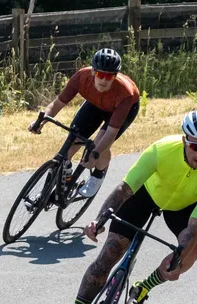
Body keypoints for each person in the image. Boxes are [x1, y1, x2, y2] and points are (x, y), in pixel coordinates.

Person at [52, 110, 197, 304]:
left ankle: (144, 287)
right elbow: (124, 189)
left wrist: (177, 257)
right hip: (145, 196)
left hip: (184, 209)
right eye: (196, 146)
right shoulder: (161, 150)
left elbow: (194, 226)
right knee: (108, 256)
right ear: (184, 140)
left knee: (194, 247)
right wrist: (100, 219)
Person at [31, 48, 141, 198]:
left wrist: (95, 154)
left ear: (115, 76)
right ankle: (52, 190)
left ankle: (98, 175)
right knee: (70, 144)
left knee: (98, 146)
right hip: (95, 104)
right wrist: (41, 121)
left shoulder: (126, 93)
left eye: (109, 77)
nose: (103, 80)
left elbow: (110, 133)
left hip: (121, 109)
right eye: (100, 74)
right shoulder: (81, 77)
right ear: (92, 72)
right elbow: (57, 104)